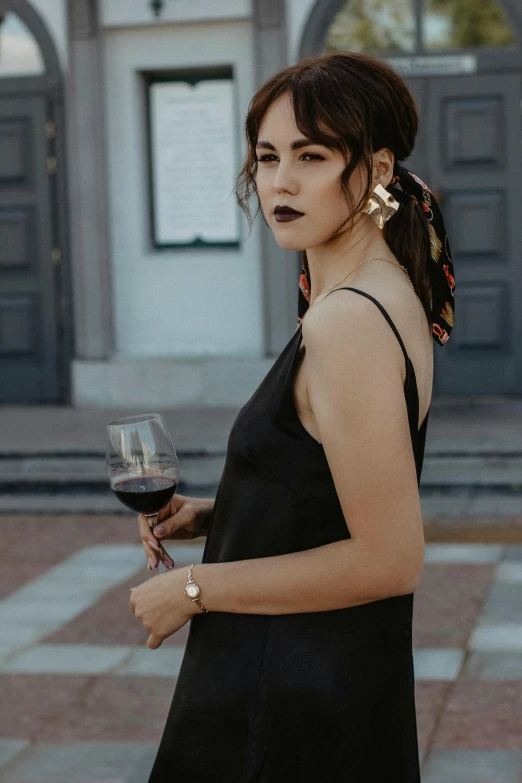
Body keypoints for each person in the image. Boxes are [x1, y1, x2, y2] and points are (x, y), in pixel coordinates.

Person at [128, 51, 456, 782]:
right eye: (268, 155)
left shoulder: (347, 323)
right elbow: (335, 487)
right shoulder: (384, 290)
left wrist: (191, 588)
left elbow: (391, 557)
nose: (279, 180)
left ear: (373, 170)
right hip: (326, 682)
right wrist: (223, 511)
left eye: (311, 155)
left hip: (288, 701)